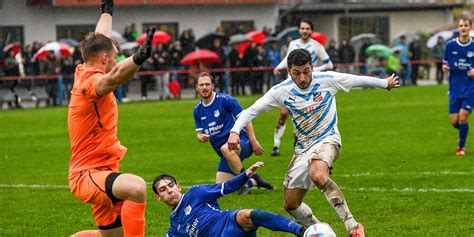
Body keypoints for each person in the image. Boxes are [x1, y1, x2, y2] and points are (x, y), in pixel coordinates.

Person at [227, 48, 399, 237]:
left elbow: (356, 79)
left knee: (317, 175)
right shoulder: (280, 91)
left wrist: (385, 83)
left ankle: (353, 226)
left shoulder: (327, 80)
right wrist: (235, 131)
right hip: (303, 148)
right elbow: (251, 111)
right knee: (291, 204)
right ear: (288, 71)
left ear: (312, 68)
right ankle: (320, 231)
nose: (302, 78)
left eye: (306, 71)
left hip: (328, 138)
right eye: (296, 73)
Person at [67, 1, 155, 236]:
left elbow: (100, 38)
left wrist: (107, 10)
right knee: (136, 187)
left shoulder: (86, 66)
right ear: (105, 59)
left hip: (105, 171)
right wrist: (137, 58)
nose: (118, 59)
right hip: (88, 175)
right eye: (116, 56)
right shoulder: (90, 83)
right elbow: (113, 79)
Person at [153, 161, 307, 237]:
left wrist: (245, 174)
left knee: (247, 215)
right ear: (158, 197)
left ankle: (300, 231)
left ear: (178, 186)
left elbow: (226, 187)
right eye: (163, 190)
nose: (169, 190)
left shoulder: (196, 193)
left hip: (227, 221)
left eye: (171, 185)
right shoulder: (175, 225)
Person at [193, 72, 273, 192]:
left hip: (242, 142)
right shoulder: (197, 110)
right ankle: (253, 181)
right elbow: (199, 133)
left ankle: (245, 181)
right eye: (201, 85)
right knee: (221, 187)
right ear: (196, 87)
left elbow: (246, 118)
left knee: (226, 149)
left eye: (207, 84)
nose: (204, 87)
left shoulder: (225, 100)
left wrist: (253, 141)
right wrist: (201, 137)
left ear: (213, 86)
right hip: (225, 154)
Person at [270, 19, 333, 156]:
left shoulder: (317, 46)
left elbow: (329, 65)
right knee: (284, 113)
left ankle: (299, 142)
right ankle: (276, 145)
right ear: (299, 30)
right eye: (302, 28)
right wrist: (278, 67)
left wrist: (314, 71)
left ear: (311, 30)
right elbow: (288, 59)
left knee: (303, 114)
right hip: (291, 84)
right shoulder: (293, 43)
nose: (304, 31)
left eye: (307, 28)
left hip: (307, 86)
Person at [442, 17, 474, 156]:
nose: (463, 28)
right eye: (461, 25)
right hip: (455, 87)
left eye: (466, 25)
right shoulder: (450, 46)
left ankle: (460, 147)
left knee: (462, 117)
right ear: (458, 28)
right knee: (455, 121)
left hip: (470, 87)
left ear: (470, 27)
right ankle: (463, 129)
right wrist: (445, 67)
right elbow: (445, 62)